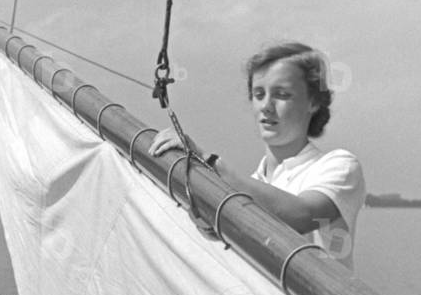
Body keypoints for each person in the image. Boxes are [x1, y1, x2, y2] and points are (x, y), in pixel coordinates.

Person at [149, 42, 365, 268]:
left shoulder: (339, 166)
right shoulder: (248, 186)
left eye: (282, 94)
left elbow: (301, 215)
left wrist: (209, 162)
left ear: (313, 102)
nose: (266, 106)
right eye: (259, 94)